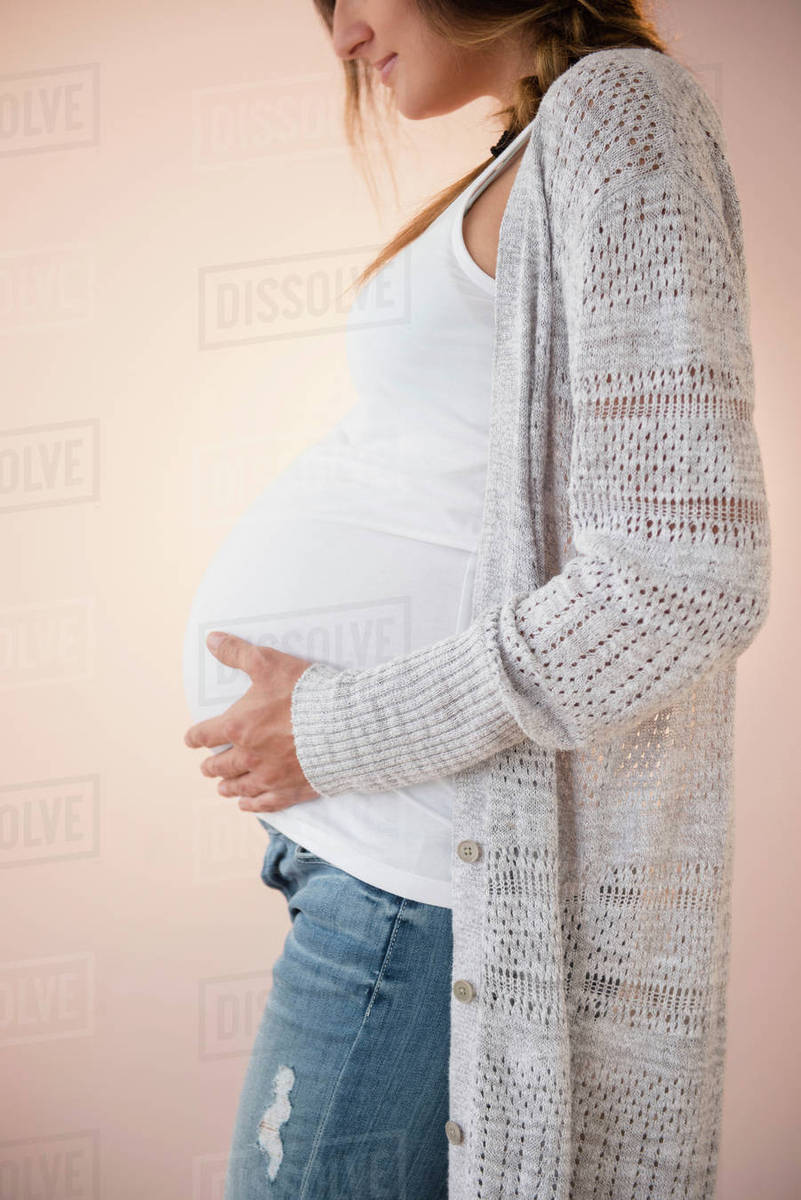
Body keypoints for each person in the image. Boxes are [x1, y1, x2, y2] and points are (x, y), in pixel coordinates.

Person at [182, 3, 772, 1197]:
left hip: (429, 882)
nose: (343, 38)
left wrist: (341, 727)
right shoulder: (542, 138)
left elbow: (685, 573)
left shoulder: (621, 112)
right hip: (382, 866)